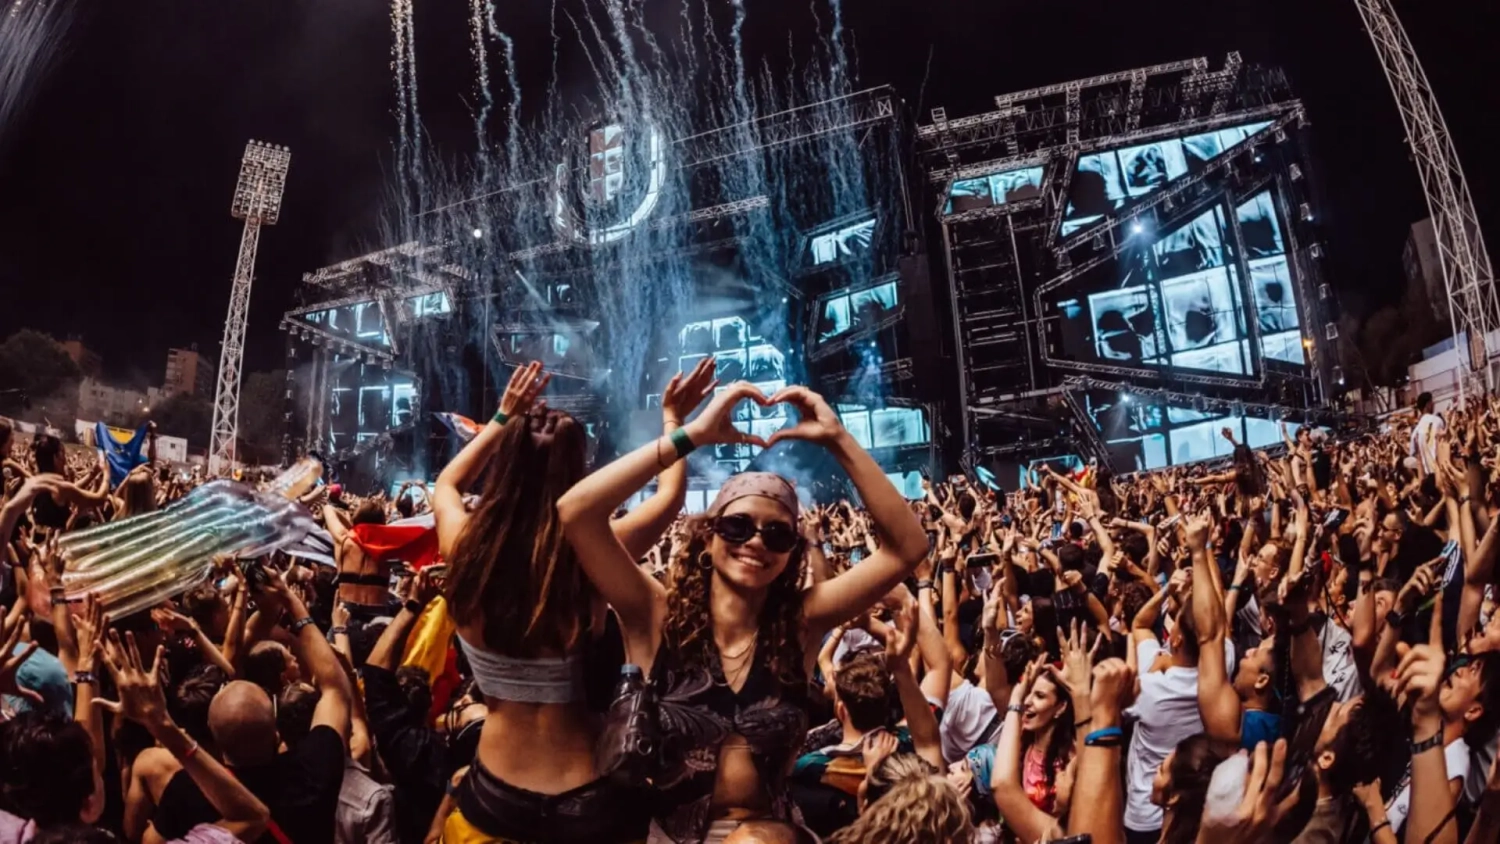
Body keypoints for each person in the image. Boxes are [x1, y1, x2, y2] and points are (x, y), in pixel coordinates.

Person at [558, 373, 928, 843]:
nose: (756, 542)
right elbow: (576, 514)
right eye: (737, 527)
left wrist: (838, 439)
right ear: (708, 536)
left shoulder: (803, 621)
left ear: (793, 550)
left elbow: (908, 546)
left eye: (777, 535)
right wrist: (689, 435)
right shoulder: (654, 613)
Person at [429, 360, 704, 843]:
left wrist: (501, 418)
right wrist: (674, 421)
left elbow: (447, 484)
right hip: (588, 795)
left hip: (495, 790)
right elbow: (670, 499)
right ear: (577, 470)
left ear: (506, 463)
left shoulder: (464, 546)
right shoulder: (589, 554)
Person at [146, 569, 353, 844]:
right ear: (276, 731)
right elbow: (336, 690)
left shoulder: (187, 791)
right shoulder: (312, 772)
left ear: (215, 736)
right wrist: (292, 602)